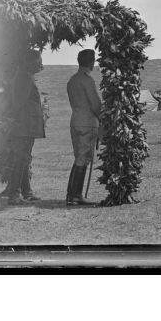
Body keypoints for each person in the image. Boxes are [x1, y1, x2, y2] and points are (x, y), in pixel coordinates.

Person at [5, 50, 46, 205]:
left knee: (24, 159)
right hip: (24, 126)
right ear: (30, 62)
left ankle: (26, 192)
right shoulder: (24, 77)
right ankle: (14, 194)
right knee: (21, 159)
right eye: (38, 62)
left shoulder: (25, 76)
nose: (40, 65)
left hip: (26, 126)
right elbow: (18, 102)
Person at [66, 49, 101, 206]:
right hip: (87, 122)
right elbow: (95, 104)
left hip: (75, 120)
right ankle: (75, 196)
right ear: (91, 62)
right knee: (83, 158)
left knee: (78, 158)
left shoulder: (72, 80)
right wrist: (103, 117)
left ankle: (71, 194)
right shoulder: (87, 80)